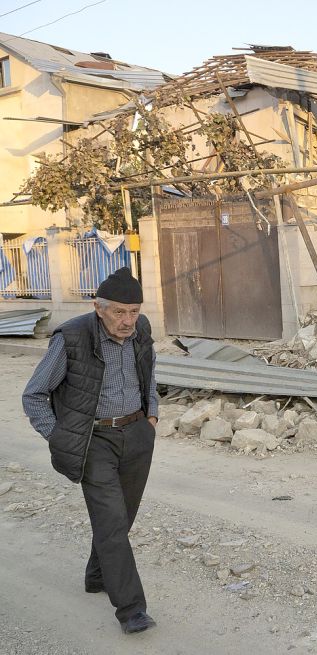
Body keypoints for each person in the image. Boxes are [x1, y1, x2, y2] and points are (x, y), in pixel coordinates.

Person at [22, 267, 159, 634]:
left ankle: (97, 575)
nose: (128, 320)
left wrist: (152, 416)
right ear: (98, 308)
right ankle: (131, 609)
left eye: (134, 311)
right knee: (112, 523)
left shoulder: (141, 330)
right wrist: (61, 437)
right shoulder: (71, 338)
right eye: (119, 312)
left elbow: (150, 376)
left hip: (136, 435)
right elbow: (33, 395)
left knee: (122, 518)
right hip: (93, 441)